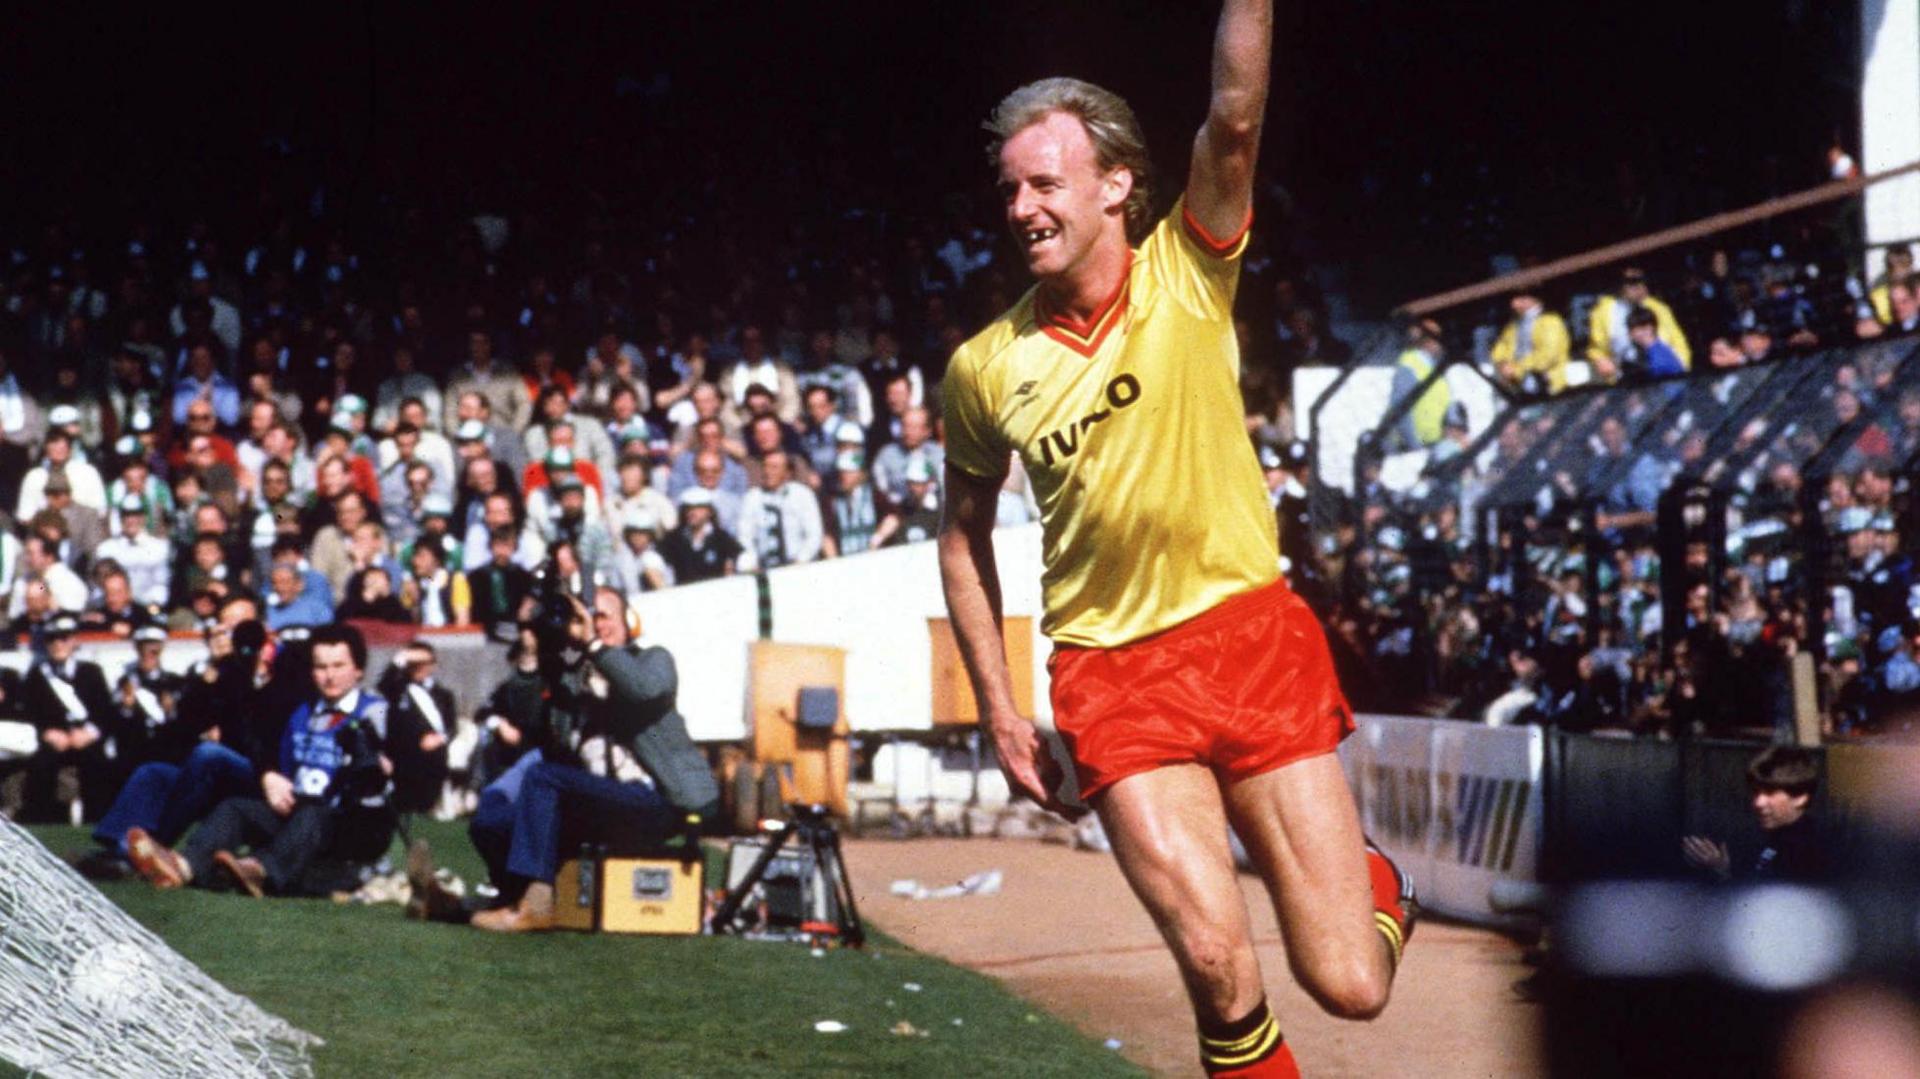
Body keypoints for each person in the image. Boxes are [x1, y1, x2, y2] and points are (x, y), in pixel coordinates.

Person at [937, 9, 1414, 1074]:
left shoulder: (1187, 270)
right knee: (1217, 961)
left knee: (1351, 983)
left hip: (1250, 637)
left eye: (1046, 182)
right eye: (1011, 189)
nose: (1022, 207)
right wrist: (1000, 704)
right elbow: (961, 540)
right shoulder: (983, 366)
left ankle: (1380, 889)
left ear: (1116, 183)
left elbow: (1235, 118)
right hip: (1113, 673)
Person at [458, 589, 720, 931]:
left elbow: (642, 689)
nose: (592, 624)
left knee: (543, 776)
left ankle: (536, 901)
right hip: (596, 801)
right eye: (584, 617)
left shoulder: (654, 660)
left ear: (629, 624)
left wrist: (595, 646)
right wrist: (530, 651)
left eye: (602, 616)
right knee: (489, 823)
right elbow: (528, 718)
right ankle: (510, 898)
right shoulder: (571, 678)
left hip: (653, 802)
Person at [126, 623, 396, 898]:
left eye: (339, 666)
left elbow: (397, 757)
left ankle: (261, 869)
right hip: (299, 817)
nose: (329, 676)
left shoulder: (374, 711)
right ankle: (184, 865)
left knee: (315, 812)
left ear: (358, 669)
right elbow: (272, 753)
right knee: (236, 808)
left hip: (347, 824)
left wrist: (383, 763)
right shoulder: (304, 712)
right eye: (321, 667)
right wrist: (271, 777)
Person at [1681, 746, 1841, 883]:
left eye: (1770, 792)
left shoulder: (1809, 848)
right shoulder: (1772, 837)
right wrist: (1721, 869)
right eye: (1756, 792)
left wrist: (1722, 875)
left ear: (1800, 797)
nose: (1758, 802)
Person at [18, 615, 121, 823]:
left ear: (74, 641)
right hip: (55, 742)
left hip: (86, 740)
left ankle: (97, 821)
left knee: (98, 764)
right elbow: (30, 713)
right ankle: (45, 824)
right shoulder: (37, 675)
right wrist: (47, 732)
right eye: (52, 639)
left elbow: (106, 712)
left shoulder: (90, 672)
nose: (57, 644)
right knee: (41, 766)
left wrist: (89, 733)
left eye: (63, 638)